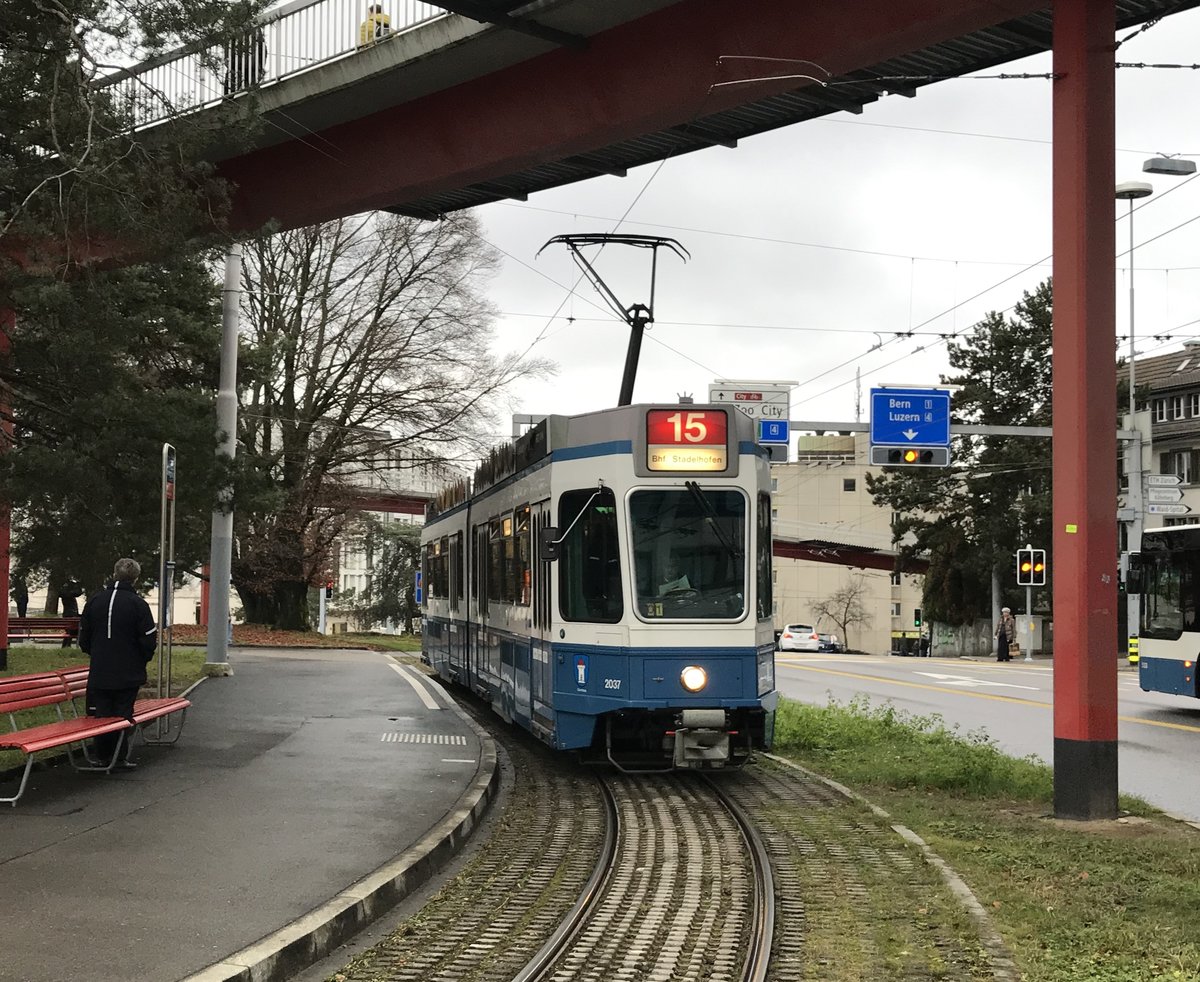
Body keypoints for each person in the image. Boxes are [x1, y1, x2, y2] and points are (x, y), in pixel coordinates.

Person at [79, 559, 158, 769]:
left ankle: (103, 756)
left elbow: (83, 637)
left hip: (100, 671)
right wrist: (141, 660)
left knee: (102, 713)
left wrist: (96, 654)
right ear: (136, 579)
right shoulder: (138, 604)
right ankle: (119, 758)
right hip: (129, 672)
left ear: (114, 574)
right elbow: (149, 640)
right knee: (123, 713)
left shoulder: (95, 601)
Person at [59, 579, 84, 647]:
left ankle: (66, 646)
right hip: (71, 616)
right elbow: (78, 593)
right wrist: (77, 585)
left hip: (67, 615)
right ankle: (67, 645)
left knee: (69, 631)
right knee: (73, 630)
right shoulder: (69, 595)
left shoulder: (64, 594)